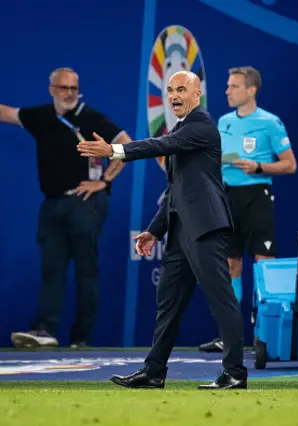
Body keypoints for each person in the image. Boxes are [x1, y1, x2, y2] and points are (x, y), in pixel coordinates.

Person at [77, 71, 248, 390]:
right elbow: (176, 190)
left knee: (221, 299)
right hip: (180, 233)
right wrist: (155, 230)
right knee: (168, 302)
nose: (174, 96)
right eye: (170, 90)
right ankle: (154, 371)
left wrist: (115, 151)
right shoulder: (183, 127)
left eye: (181, 89)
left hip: (206, 227)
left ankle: (235, 372)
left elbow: (161, 144)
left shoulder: (201, 125)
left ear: (197, 95)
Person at [0, 67, 132, 348]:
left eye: (74, 88)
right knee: (51, 268)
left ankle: (81, 338)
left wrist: (104, 181)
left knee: (86, 271)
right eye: (64, 88)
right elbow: (3, 112)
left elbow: (126, 144)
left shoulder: (90, 118)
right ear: (51, 89)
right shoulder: (41, 116)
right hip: (52, 203)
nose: (69, 94)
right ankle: (45, 330)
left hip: (86, 203)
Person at [199, 66, 297, 353]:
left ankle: (265, 336)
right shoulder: (224, 121)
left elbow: (290, 164)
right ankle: (229, 336)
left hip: (257, 195)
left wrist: (258, 167)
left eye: (234, 86)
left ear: (251, 90)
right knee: (230, 263)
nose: (227, 91)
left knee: (264, 263)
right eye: (228, 86)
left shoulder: (270, 122)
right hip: (227, 196)